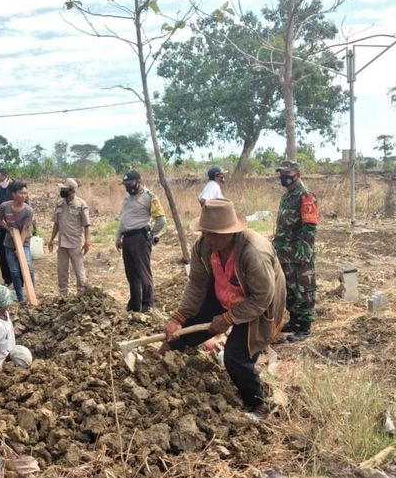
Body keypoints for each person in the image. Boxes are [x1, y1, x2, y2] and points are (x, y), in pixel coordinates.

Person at [160, 198, 286, 421]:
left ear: (232, 231)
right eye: (207, 232)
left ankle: (258, 405)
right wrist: (178, 317)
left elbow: (262, 297)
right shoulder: (203, 247)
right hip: (223, 293)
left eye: (217, 234)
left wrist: (229, 318)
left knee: (236, 356)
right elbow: (197, 284)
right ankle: (159, 365)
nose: (210, 238)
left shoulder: (253, 252)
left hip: (255, 305)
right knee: (183, 331)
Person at [273, 160, 318, 342]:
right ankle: (294, 321)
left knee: (303, 289)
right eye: (281, 174)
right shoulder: (287, 196)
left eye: (287, 174)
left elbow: (309, 227)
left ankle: (305, 327)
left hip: (298, 253)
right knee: (288, 289)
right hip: (283, 252)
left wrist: (304, 251)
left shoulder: (305, 196)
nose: (283, 178)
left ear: (297, 174)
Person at [115, 170, 166, 312]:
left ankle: (147, 305)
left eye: (130, 184)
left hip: (140, 238)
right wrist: (118, 237)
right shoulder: (127, 197)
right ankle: (134, 305)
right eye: (125, 185)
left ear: (139, 182)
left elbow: (161, 220)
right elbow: (124, 219)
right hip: (127, 238)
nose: (128, 187)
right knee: (131, 275)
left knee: (143, 273)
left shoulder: (150, 197)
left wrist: (151, 235)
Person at [47, 178, 91, 296]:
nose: (62, 191)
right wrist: (51, 240)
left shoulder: (81, 205)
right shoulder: (60, 204)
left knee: (79, 270)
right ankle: (63, 294)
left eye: (64, 189)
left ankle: (82, 293)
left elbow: (87, 225)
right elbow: (57, 224)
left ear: (72, 190)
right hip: (62, 243)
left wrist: (87, 241)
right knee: (62, 270)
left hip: (76, 242)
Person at [0, 181, 35, 302]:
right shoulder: (5, 206)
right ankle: (20, 297)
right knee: (14, 271)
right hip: (9, 243)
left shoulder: (28, 211)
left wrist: (19, 249)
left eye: (25, 193)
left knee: (28, 267)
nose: (23, 196)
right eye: (20, 193)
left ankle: (31, 294)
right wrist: (8, 229)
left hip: (24, 243)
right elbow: (0, 220)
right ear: (13, 194)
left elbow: (25, 229)